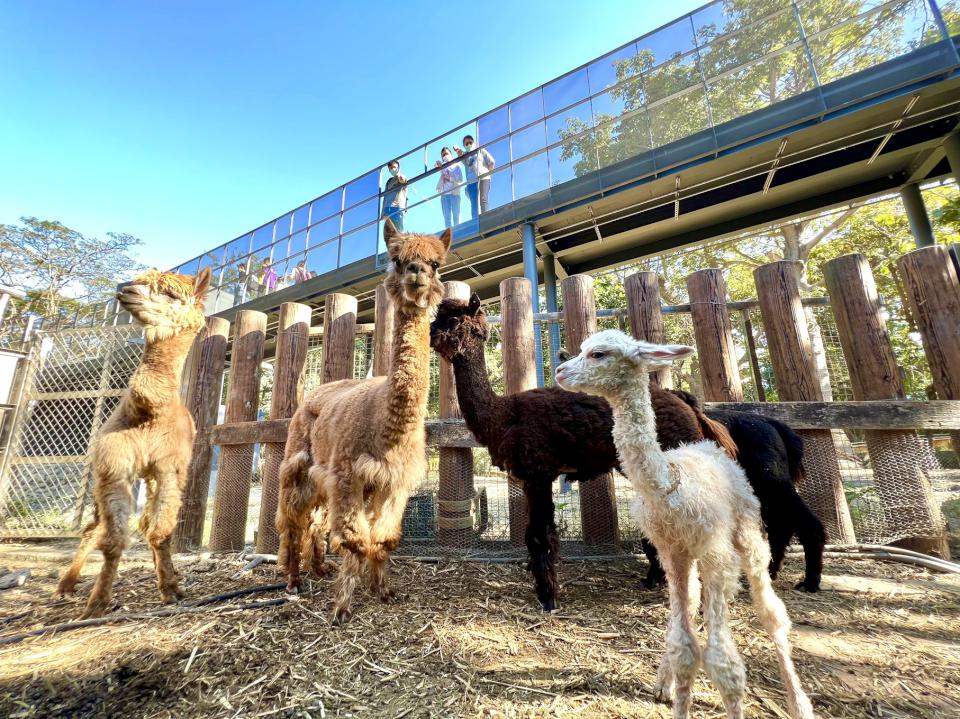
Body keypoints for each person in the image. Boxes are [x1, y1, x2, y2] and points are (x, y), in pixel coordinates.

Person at [457, 134, 495, 220]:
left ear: (473, 142)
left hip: (483, 177)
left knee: (483, 199)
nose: (469, 145)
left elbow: (492, 162)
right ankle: (475, 221)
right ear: (464, 146)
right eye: (466, 144)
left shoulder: (480, 151)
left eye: (470, 142)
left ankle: (486, 219)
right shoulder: (465, 155)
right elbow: (466, 163)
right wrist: (460, 155)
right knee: (474, 203)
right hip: (471, 181)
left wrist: (488, 175)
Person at [435, 147, 463, 229]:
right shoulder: (442, 166)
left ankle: (458, 232)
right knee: (447, 218)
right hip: (444, 195)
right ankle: (449, 234)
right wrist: (440, 166)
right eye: (443, 155)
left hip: (455, 194)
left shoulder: (456, 165)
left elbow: (460, 179)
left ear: (451, 154)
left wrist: (449, 178)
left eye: (446, 153)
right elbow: (436, 166)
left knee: (456, 215)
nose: (445, 156)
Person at [381, 160, 408, 231]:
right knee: (389, 233)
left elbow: (403, 180)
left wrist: (399, 175)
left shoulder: (401, 177)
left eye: (394, 167)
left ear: (398, 168)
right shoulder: (389, 181)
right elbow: (385, 196)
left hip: (397, 208)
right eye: (390, 168)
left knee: (398, 231)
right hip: (387, 209)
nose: (392, 169)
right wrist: (382, 212)